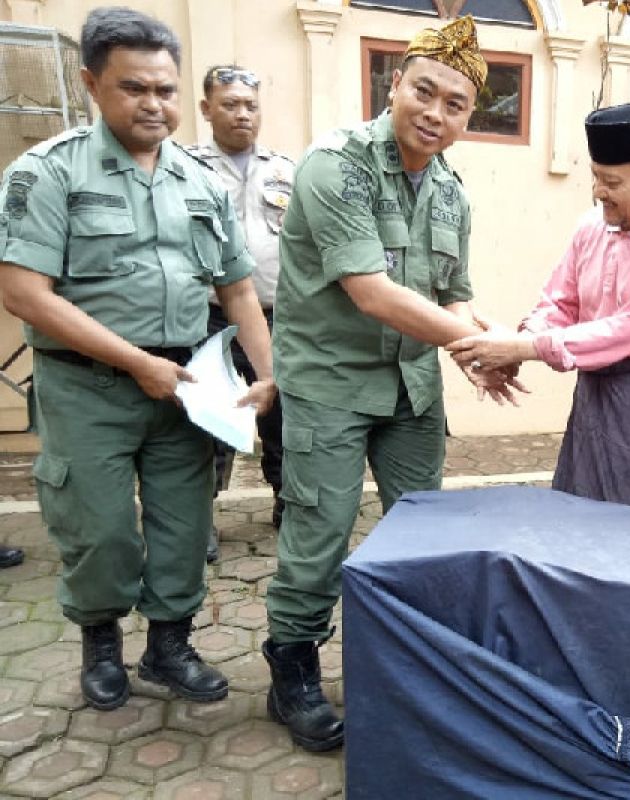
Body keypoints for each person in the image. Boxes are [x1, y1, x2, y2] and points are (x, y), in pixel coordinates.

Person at [0, 7, 275, 712]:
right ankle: (101, 647)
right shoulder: (50, 172)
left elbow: (239, 289)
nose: (155, 104)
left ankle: (169, 646)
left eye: (166, 89)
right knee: (98, 528)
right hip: (87, 388)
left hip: (185, 385)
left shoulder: (199, 180)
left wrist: (269, 372)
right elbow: (24, 294)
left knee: (185, 524)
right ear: (93, 84)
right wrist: (135, 362)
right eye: (134, 88)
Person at [262, 15, 518, 752]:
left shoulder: (449, 191)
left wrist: (477, 353)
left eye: (456, 105)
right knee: (318, 535)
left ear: (470, 115)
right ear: (394, 85)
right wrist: (478, 341)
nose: (435, 114)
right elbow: (370, 291)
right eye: (424, 92)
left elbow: (452, 292)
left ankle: (407, 661)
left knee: (422, 535)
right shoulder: (333, 165)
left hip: (412, 393)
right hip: (331, 388)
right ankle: (293, 667)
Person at [447, 103, 630, 611]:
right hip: (595, 390)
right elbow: (560, 300)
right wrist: (522, 342)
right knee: (573, 521)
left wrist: (521, 348)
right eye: (595, 177)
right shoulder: (592, 227)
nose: (598, 192)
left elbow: (622, 333)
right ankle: (573, 656)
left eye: (611, 181)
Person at [189, 64, 292, 561]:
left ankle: (286, 501)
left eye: (250, 105)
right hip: (210, 317)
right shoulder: (185, 167)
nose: (242, 114)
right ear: (207, 109)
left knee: (283, 416)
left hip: (277, 315)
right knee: (213, 418)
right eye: (230, 104)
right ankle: (200, 517)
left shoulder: (284, 170)